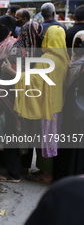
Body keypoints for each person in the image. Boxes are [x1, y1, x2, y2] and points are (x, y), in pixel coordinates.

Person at [2, 25, 70, 184]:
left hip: (46, 107)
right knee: (50, 141)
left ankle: (46, 175)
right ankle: (44, 172)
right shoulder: (64, 58)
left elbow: (31, 81)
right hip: (57, 106)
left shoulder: (47, 60)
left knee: (45, 143)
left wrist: (8, 70)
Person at [54, 30, 84, 180]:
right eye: (77, 43)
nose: (79, 46)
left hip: (79, 113)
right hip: (69, 109)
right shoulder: (71, 62)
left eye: (82, 43)